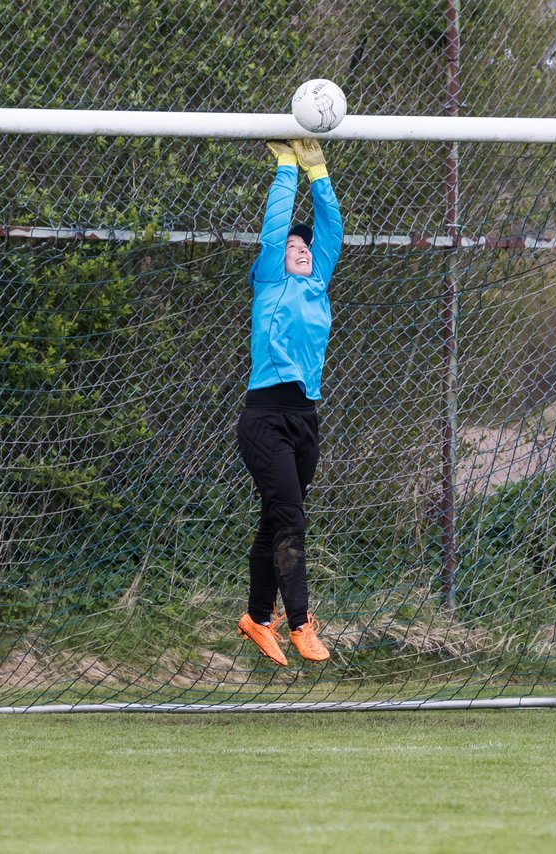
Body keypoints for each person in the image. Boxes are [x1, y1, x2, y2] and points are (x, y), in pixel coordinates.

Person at [235, 137, 342, 666]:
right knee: (292, 520)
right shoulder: (271, 280)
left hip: (304, 420)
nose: (299, 249)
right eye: (290, 248)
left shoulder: (317, 283)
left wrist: (316, 169)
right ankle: (300, 622)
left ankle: (256, 618)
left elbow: (332, 229)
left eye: (305, 248)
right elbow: (276, 228)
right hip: (264, 419)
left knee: (276, 520)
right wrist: (285, 168)